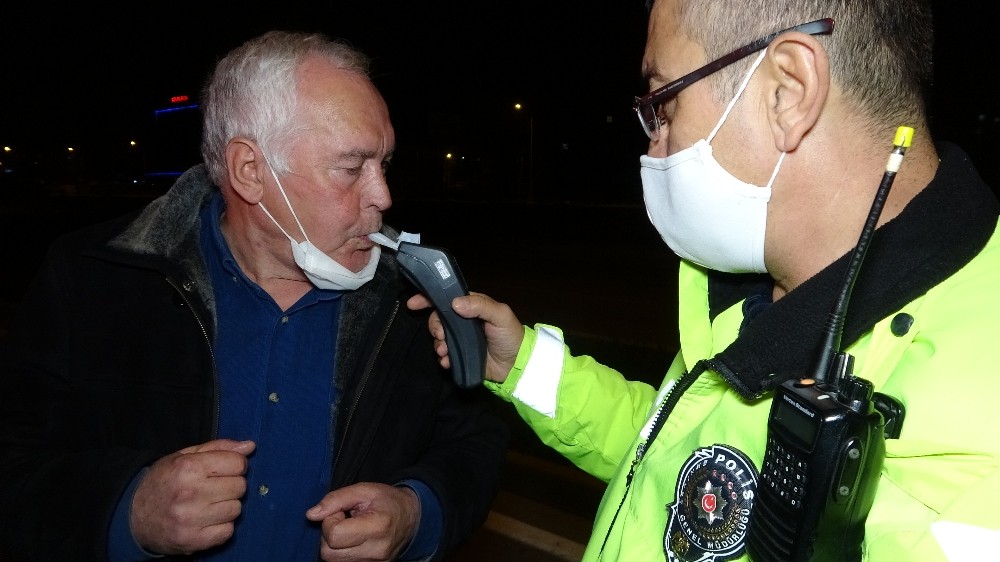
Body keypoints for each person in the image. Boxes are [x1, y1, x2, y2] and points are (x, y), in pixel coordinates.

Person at [411, 0, 1000, 560]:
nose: (653, 142)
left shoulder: (971, 455)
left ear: (788, 92)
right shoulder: (755, 286)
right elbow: (683, 458)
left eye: (662, 104)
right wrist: (525, 365)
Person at [0, 30, 508, 562]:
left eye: (384, 165)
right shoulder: (95, 279)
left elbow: (474, 445)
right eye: (351, 168)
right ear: (250, 170)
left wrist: (417, 513)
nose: (382, 195)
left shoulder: (415, 298)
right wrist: (127, 509)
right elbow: (13, 466)